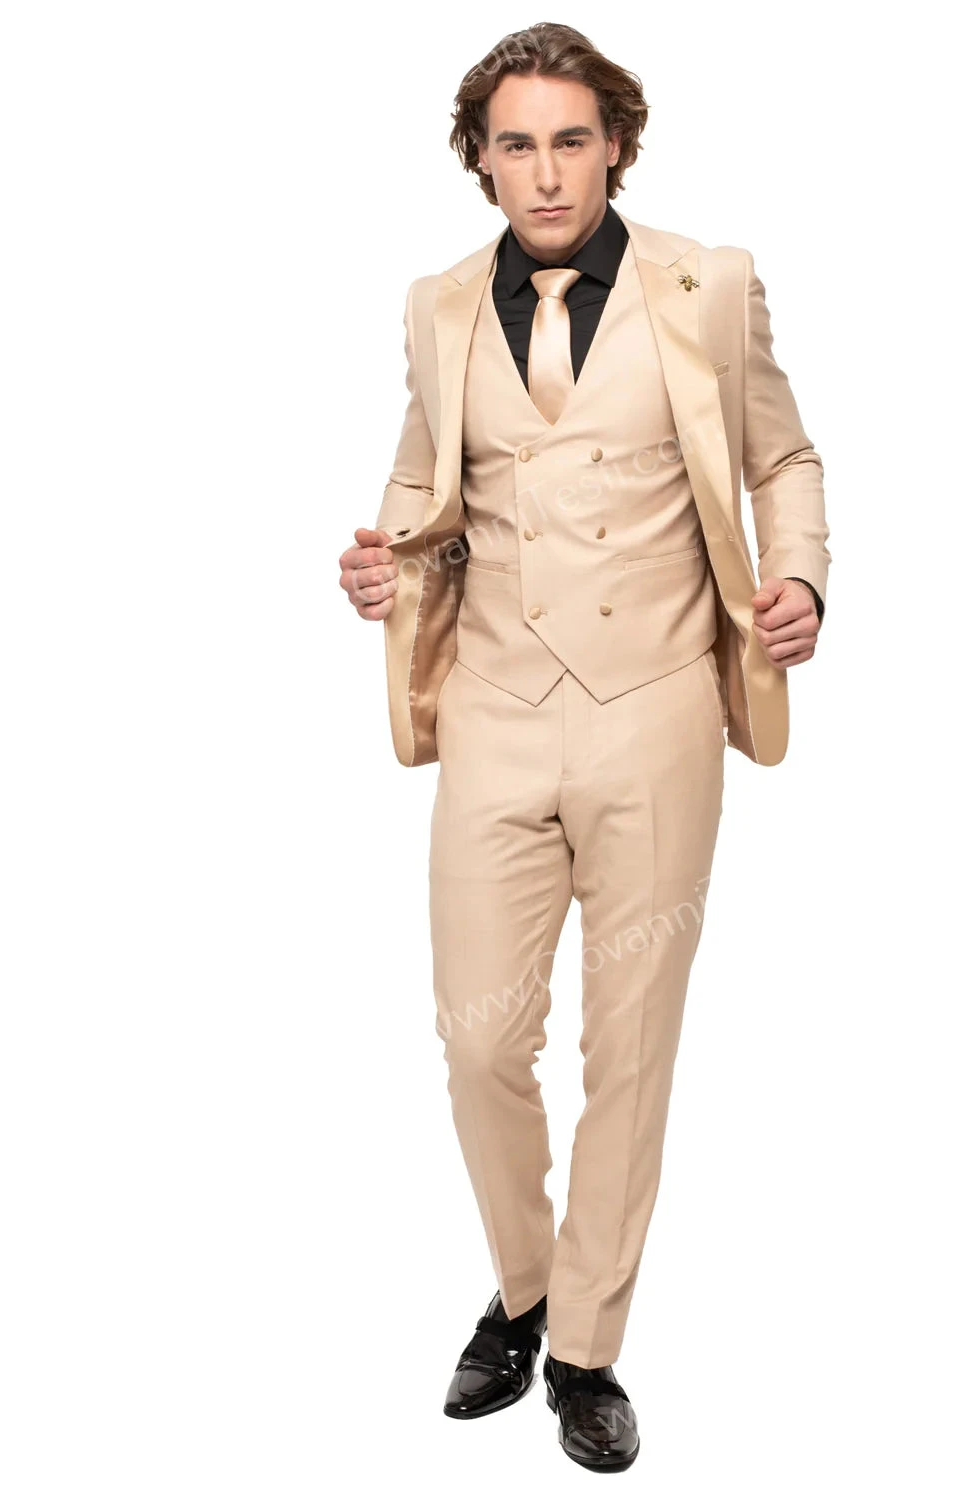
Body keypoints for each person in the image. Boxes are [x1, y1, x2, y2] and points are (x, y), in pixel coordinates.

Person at [339, 23, 830, 1473]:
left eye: (570, 140)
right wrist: (383, 561)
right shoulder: (438, 305)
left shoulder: (707, 285)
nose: (546, 172)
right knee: (479, 1038)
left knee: (632, 1047)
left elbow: (782, 455)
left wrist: (801, 580)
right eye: (517, 144)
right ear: (480, 160)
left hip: (658, 708)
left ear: (615, 145)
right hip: (493, 708)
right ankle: (526, 1287)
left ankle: (587, 1348)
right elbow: (422, 482)